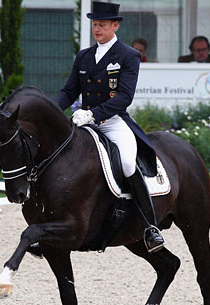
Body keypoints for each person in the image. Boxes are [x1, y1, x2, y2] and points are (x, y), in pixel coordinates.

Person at [55, 1, 165, 253]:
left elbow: (124, 97)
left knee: (127, 163)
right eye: (94, 24)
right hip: (84, 123)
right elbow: (69, 91)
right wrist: (51, 112)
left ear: (115, 25)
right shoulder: (84, 56)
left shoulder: (128, 56)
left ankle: (150, 227)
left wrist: (93, 113)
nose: (97, 29)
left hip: (112, 122)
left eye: (102, 25)